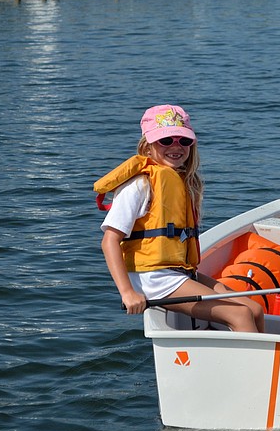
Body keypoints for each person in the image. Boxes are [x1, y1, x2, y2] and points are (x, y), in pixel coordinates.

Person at [94, 104, 264, 333]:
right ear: (147, 146)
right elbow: (109, 241)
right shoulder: (139, 185)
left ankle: (265, 364)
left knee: (253, 308)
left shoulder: (182, 182)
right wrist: (127, 292)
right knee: (240, 313)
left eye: (183, 141)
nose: (176, 147)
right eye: (165, 141)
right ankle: (254, 368)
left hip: (177, 272)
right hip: (152, 277)